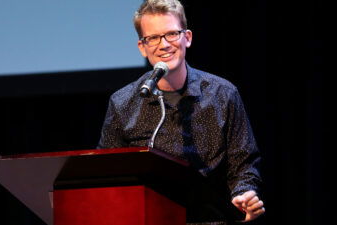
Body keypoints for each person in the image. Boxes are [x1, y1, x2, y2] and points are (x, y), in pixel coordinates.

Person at [97, 0, 265, 224]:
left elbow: (243, 162)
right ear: (142, 47)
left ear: (187, 37)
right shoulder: (123, 102)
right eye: (153, 38)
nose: (164, 44)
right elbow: (106, 170)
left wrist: (243, 194)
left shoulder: (222, 94)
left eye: (171, 34)